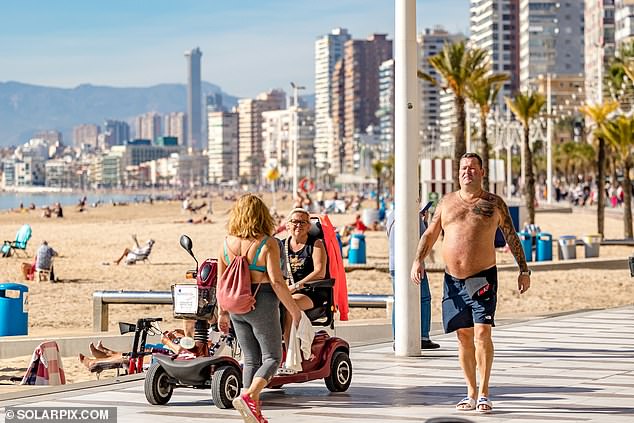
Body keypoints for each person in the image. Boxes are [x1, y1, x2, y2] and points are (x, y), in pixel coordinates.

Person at [410, 153, 531, 413]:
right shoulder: (446, 203)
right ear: (458, 173)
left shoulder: (494, 204)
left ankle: (485, 393)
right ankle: (471, 392)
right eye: (464, 168)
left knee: (482, 332)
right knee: (463, 337)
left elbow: (511, 236)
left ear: (482, 172)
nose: (468, 172)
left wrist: (524, 270)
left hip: (482, 279)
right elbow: (431, 234)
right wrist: (417, 260)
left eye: (473, 168)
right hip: (452, 281)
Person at [217, 194, 301, 423]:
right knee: (273, 357)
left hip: (235, 305)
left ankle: (252, 412)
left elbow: (221, 280)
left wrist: (222, 312)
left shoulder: (226, 242)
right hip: (261, 302)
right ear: (262, 215)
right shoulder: (268, 243)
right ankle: (250, 395)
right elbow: (276, 282)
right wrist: (293, 310)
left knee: (251, 358)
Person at [387, 207, 439, 350]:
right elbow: (425, 239)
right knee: (424, 298)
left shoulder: (391, 215)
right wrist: (425, 222)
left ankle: (397, 338)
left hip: (394, 264)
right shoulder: (413, 215)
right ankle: (423, 336)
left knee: (399, 300)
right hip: (412, 264)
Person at [279, 208, 327, 347]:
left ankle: (290, 353)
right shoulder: (281, 245)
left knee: (289, 305)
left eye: (303, 222)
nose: (298, 225)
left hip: (310, 291)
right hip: (286, 290)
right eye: (294, 221)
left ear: (309, 226)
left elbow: (320, 272)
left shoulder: (316, 244)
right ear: (287, 225)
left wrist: (295, 286)